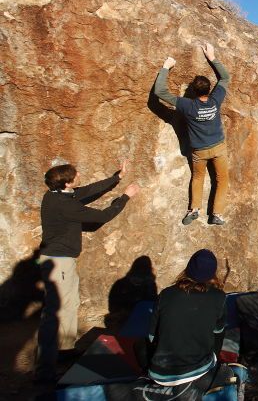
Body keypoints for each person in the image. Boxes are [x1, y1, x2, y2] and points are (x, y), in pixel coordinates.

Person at [35, 160, 140, 382]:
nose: (79, 174)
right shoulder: (65, 205)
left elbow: (88, 191)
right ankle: (44, 370)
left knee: (70, 306)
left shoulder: (55, 195)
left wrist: (117, 178)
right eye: (75, 174)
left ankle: (64, 351)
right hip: (58, 263)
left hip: (61, 261)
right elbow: (102, 216)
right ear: (67, 182)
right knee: (55, 313)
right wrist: (126, 197)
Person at [154, 44, 231, 226]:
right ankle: (216, 214)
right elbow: (225, 77)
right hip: (218, 147)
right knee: (222, 180)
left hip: (199, 151)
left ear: (194, 92)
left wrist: (167, 66)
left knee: (197, 178)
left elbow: (160, 92)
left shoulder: (187, 106)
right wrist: (211, 57)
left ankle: (194, 209)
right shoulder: (215, 100)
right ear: (208, 89)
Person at [146, 249, 226, 390]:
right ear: (213, 273)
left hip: (159, 374)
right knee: (219, 333)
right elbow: (218, 333)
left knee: (139, 346)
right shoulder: (219, 297)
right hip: (198, 371)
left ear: (188, 268)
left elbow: (151, 336)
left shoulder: (166, 294)